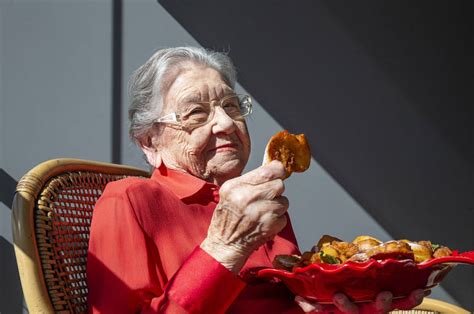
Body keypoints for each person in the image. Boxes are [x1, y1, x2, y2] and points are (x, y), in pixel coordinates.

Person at [87, 47, 426, 313]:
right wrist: (225, 247)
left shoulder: (260, 202)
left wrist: (345, 305)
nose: (225, 123)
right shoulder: (130, 200)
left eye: (231, 106)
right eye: (195, 113)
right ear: (149, 142)